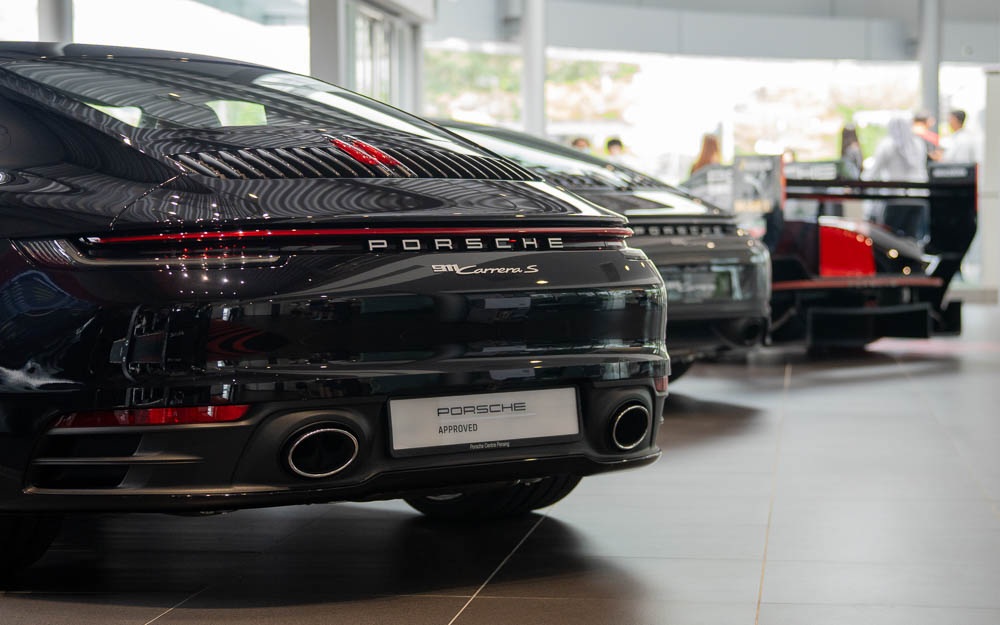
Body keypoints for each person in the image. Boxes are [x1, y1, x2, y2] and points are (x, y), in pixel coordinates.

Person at [866, 117, 927, 182]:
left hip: (895, 185)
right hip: (918, 183)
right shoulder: (918, 142)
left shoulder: (886, 145)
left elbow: (875, 168)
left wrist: (863, 181)